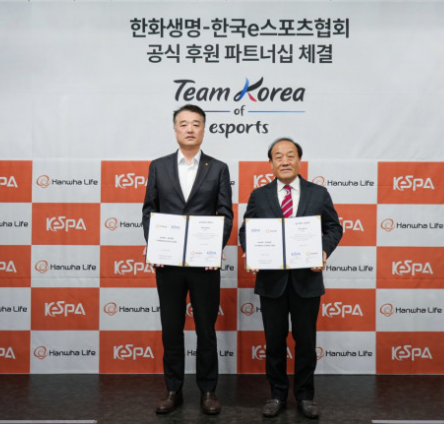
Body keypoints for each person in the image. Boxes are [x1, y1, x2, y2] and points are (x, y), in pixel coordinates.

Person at [238, 137, 342, 419]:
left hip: (307, 281)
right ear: (271, 163)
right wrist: (251, 251)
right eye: (278, 156)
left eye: (290, 155)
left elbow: (334, 228)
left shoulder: (318, 193)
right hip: (271, 282)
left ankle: (305, 396)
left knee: (305, 342)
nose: (284, 161)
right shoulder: (259, 195)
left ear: (299, 160)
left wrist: (323, 251)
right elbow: (246, 230)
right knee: (274, 342)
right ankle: (277, 394)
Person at [142, 104, 233, 415]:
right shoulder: (158, 166)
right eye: (184, 124)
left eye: (196, 123)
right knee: (171, 328)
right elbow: (149, 210)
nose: (190, 129)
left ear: (204, 129)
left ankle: (208, 391)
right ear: (175, 129)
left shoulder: (218, 168)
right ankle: (173, 390)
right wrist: (154, 245)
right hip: (168, 263)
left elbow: (225, 213)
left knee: (206, 329)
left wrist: (215, 248)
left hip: (204, 263)